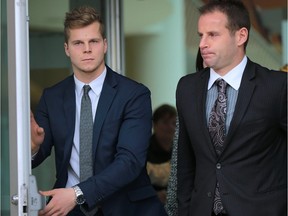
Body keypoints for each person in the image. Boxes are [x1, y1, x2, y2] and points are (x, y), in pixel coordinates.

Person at [30, 5, 167, 216]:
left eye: (93, 41)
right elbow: (38, 153)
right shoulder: (52, 97)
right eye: (78, 43)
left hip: (126, 208)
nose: (87, 49)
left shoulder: (134, 95)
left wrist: (77, 193)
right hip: (70, 210)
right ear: (67, 48)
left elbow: (130, 162)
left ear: (105, 45)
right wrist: (32, 148)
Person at [176, 1, 287, 216]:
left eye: (213, 35)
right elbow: (186, 161)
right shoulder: (187, 88)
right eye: (201, 35)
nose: (202, 44)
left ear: (241, 36)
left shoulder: (277, 87)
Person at [146, 104, 177, 204]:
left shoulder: (182, 149)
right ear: (154, 124)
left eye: (174, 123)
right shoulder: (142, 150)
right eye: (165, 122)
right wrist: (152, 195)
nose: (170, 127)